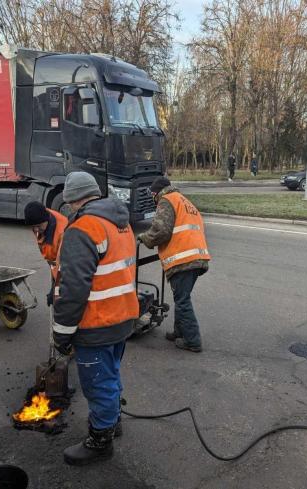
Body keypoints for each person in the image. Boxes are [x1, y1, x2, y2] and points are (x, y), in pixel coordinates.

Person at [52, 172, 139, 466]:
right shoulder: (121, 223)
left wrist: (61, 334)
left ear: (71, 200)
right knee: (111, 374)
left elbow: (74, 289)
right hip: (122, 317)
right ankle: (112, 422)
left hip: (97, 324)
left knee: (98, 384)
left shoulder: (83, 228)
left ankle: (100, 441)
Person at [137, 176, 210, 353]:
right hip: (196, 257)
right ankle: (180, 331)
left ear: (156, 193)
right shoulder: (183, 200)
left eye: (153, 195)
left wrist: (144, 238)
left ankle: (193, 341)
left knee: (183, 300)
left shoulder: (166, 200)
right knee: (181, 297)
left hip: (183, 258)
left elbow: (160, 231)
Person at [24, 201, 68, 303]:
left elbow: (63, 267)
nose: (36, 230)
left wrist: (55, 289)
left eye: (38, 226)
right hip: (54, 262)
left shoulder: (62, 232)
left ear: (46, 219)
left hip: (64, 268)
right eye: (33, 227)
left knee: (60, 300)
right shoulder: (41, 220)